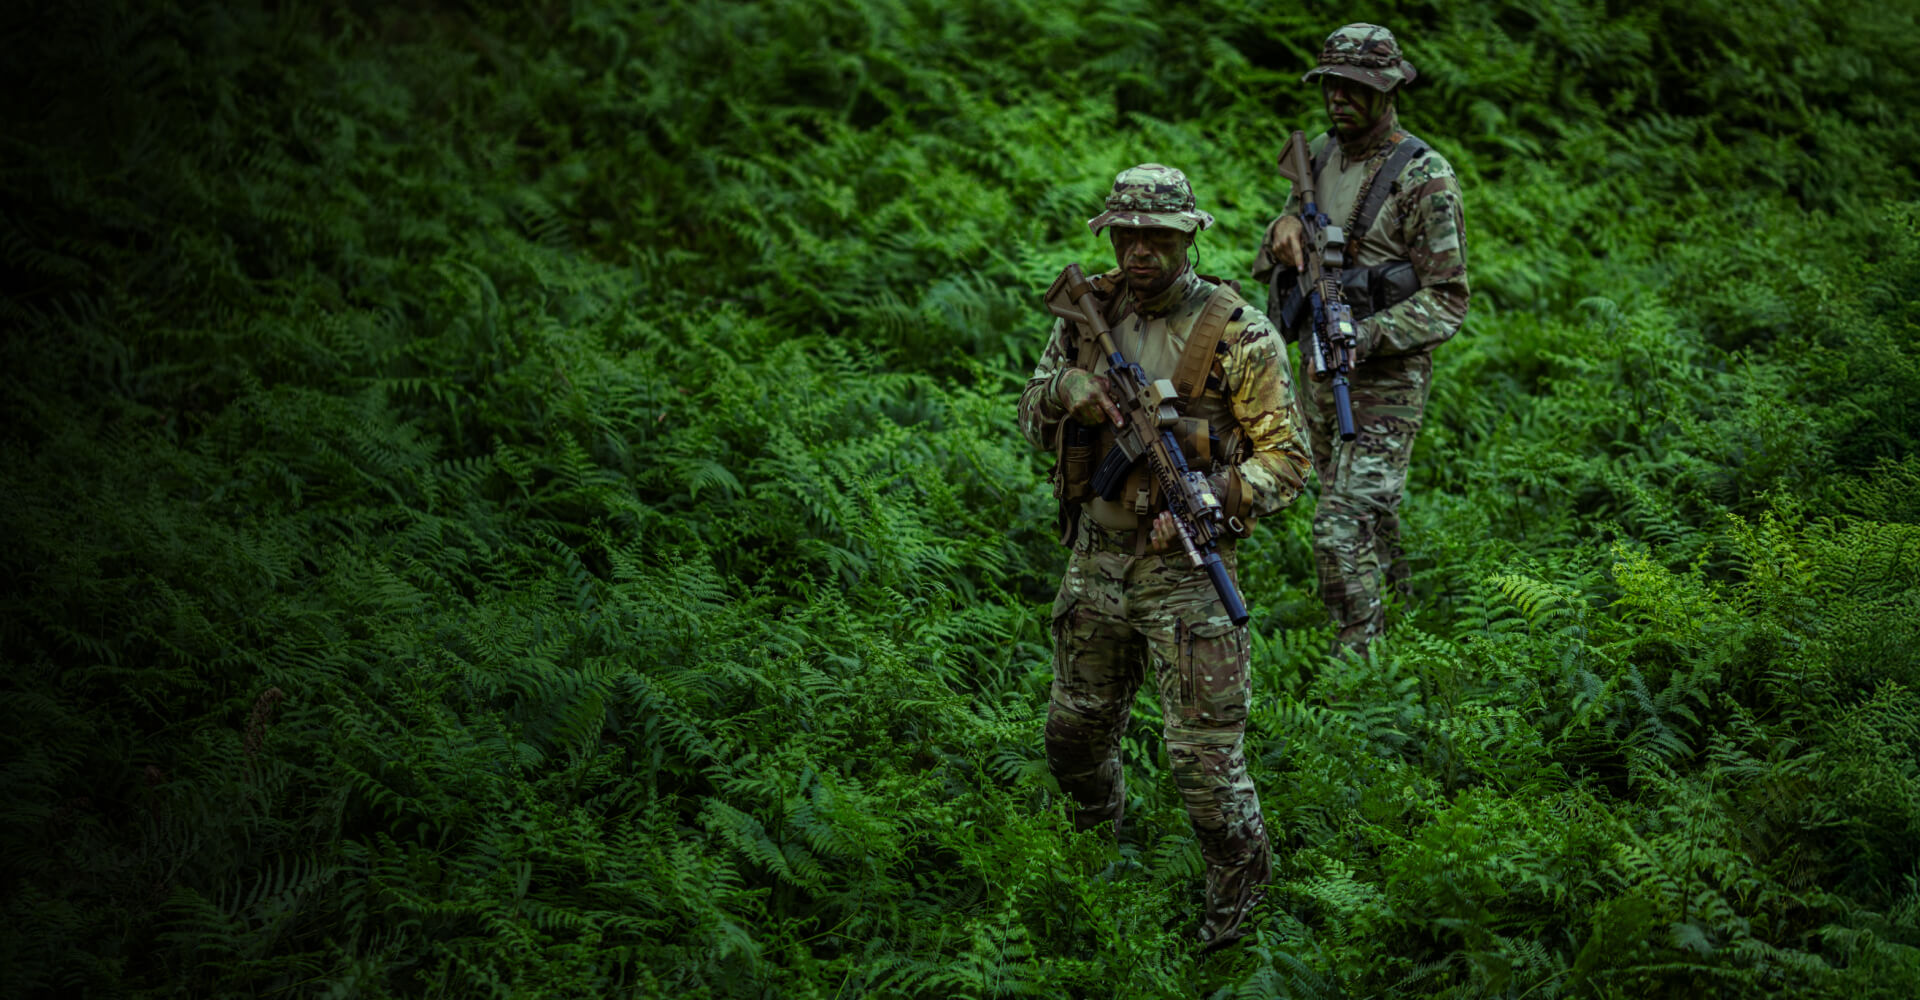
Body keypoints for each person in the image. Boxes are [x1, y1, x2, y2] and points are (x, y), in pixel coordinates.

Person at [1018, 163, 1312, 950]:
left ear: (1188, 237)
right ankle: (1094, 864)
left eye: (1157, 237)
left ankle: (1239, 920)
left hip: (1185, 572)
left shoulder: (1238, 331)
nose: (1139, 251)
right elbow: (1031, 412)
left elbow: (1290, 462)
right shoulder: (1086, 317)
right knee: (1073, 736)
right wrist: (1067, 392)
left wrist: (1209, 497)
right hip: (1094, 559)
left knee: (1206, 766)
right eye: (1127, 235)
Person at [1252, 23, 1471, 657]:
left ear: (1389, 89)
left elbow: (1449, 298)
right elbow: (1292, 231)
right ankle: (1407, 624)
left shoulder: (1424, 175)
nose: (1338, 98)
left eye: (1354, 87)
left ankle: (1360, 668)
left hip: (1385, 381)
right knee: (1362, 510)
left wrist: (1366, 335)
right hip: (1319, 371)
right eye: (1330, 85)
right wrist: (1282, 228)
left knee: (1339, 526)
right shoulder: (1319, 155)